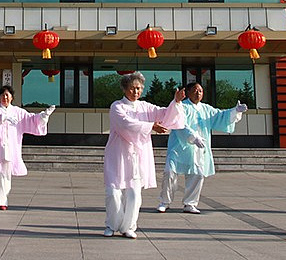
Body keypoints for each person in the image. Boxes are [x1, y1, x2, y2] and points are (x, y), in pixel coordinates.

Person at [103, 72, 187, 239]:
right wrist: (151, 126)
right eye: (132, 88)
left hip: (138, 155)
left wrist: (176, 102)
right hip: (118, 154)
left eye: (139, 88)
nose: (136, 92)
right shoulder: (117, 106)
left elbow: (164, 114)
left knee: (134, 193)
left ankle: (129, 226)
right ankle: (112, 225)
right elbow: (126, 124)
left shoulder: (145, 107)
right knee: (114, 192)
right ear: (125, 89)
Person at [156, 81, 247, 214]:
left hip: (198, 149)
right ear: (188, 92)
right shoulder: (182, 106)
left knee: (198, 174)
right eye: (195, 90)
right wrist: (193, 137)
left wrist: (235, 111)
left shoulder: (206, 109)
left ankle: (190, 203)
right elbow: (179, 123)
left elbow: (221, 116)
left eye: (200, 91)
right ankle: (165, 201)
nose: (198, 93)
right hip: (179, 146)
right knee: (170, 172)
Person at [0, 85, 54, 210]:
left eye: (7, 95)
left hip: (9, 148)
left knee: (5, 174)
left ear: (12, 97)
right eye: (2, 95)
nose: (5, 97)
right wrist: (3, 117)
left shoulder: (17, 111)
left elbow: (31, 119)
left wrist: (43, 116)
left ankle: (2, 201)